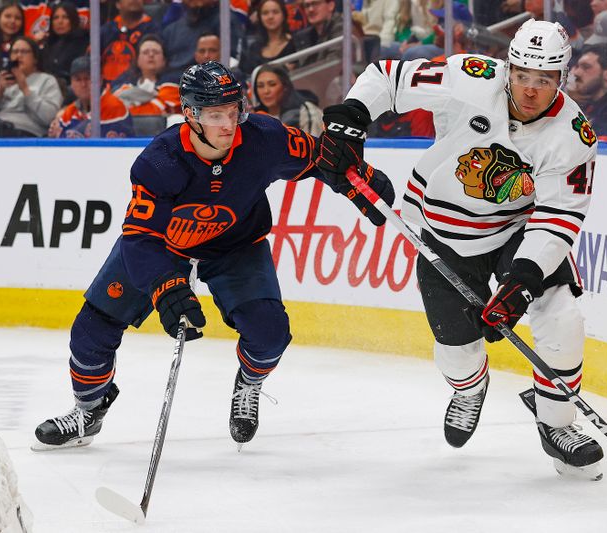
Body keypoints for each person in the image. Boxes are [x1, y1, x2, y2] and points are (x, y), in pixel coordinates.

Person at [33, 60, 395, 451]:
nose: (228, 124)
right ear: (189, 114)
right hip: (165, 247)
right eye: (215, 115)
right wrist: (167, 288)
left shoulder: (263, 138)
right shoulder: (159, 162)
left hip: (235, 246)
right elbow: (139, 238)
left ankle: (249, 383)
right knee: (91, 330)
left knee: (271, 334)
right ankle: (88, 411)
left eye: (233, 111)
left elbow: (320, 157)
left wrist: (361, 181)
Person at [316, 19, 603, 478]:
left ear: (561, 79)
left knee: (561, 314)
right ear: (508, 68)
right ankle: (469, 388)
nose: (530, 90)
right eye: (523, 75)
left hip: (517, 229)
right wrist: (351, 115)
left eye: (544, 80)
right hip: (443, 230)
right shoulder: (470, 76)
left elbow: (558, 218)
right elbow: (387, 79)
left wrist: (523, 282)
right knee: (456, 348)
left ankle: (556, 424)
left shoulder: (573, 135)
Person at [49, 56, 134, 138]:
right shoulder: (69, 112)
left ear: (100, 80)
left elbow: (107, 148)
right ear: (71, 83)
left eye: (88, 78)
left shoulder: (114, 107)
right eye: (78, 79)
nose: (83, 84)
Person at [0, 34, 62, 137]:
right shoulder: (0, 77)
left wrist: (25, 89)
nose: (18, 55)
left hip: (24, 132)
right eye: (15, 52)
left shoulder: (47, 80)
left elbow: (49, 118)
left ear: (35, 58)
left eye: (24, 52)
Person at [113, 34, 180, 119]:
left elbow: (155, 111)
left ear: (164, 60)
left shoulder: (173, 87)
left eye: (156, 52)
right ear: (138, 60)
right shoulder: (124, 88)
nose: (151, 55)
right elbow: (114, 109)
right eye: (145, 52)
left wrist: (132, 103)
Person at [250, 63, 322, 135]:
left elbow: (314, 143)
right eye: (260, 86)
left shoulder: (306, 111)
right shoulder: (255, 117)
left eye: (272, 84)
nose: (266, 91)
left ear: (285, 87)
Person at [100, 0, 161, 84]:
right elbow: (91, 61)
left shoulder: (153, 29)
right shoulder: (106, 30)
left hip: (137, 87)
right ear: (118, 4)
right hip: (104, 89)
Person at [240, 0, 296, 74]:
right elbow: (245, 74)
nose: (270, 17)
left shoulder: (296, 43)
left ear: (283, 15)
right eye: (265, 13)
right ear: (260, 17)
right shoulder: (253, 47)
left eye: (275, 12)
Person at [38, 1, 88, 84]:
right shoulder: (48, 44)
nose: (60, 22)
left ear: (73, 19)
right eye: (56, 18)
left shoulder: (83, 41)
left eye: (65, 17)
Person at [292, 0, 343, 66]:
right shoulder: (304, 36)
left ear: (331, 6)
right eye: (307, 6)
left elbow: (333, 65)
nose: (311, 9)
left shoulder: (342, 26)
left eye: (316, 3)